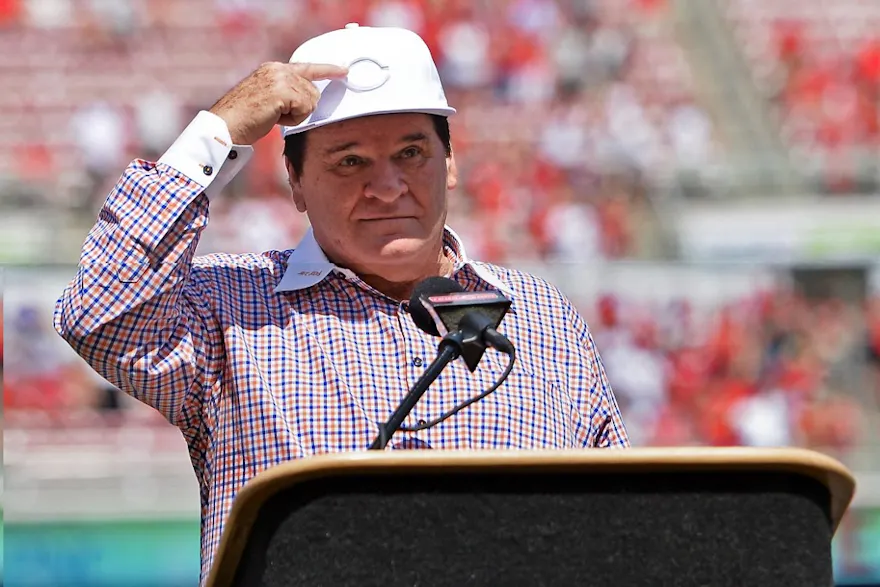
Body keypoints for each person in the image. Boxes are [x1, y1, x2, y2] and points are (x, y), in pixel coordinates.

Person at [54, 23, 629, 584]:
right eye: (349, 161)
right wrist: (218, 130)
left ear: (450, 164)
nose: (386, 186)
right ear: (296, 183)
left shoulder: (540, 315)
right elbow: (101, 314)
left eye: (411, 153)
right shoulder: (227, 305)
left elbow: (621, 527)